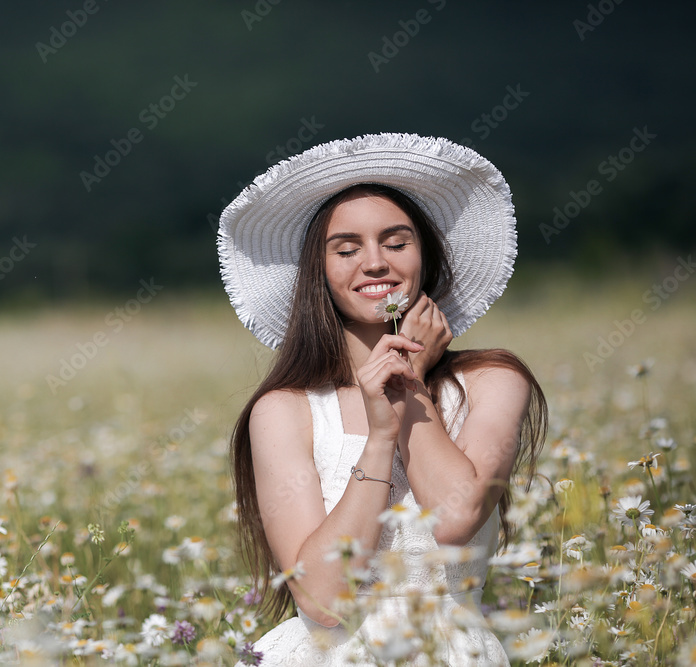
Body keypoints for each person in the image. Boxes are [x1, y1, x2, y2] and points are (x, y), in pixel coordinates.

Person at [217, 133, 547, 665]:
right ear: (318, 274)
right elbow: (323, 603)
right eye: (346, 250)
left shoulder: (492, 380)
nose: (374, 264)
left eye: (396, 243)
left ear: (427, 257)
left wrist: (409, 385)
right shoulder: (285, 410)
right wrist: (379, 438)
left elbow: (454, 519)